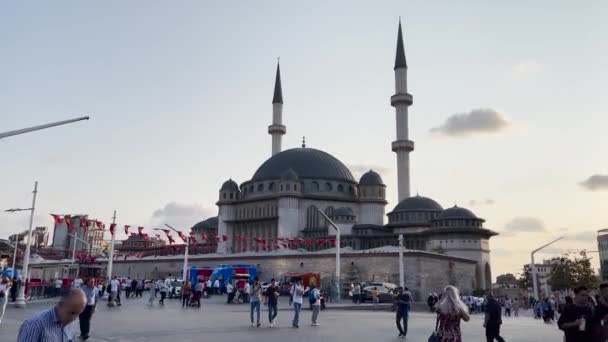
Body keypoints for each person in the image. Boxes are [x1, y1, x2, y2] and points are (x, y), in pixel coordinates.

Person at [17, 288, 87, 342]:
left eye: (78, 314)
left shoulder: (70, 323)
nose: (74, 318)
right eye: (72, 313)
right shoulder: (35, 324)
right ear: (60, 304)